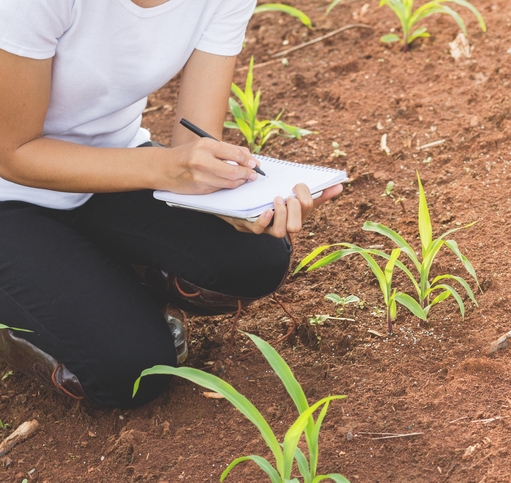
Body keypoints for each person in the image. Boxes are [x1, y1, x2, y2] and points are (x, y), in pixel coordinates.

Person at [0, 0, 343, 409]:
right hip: (10, 193)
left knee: (255, 259)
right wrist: (165, 167)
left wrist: (236, 204)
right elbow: (12, 153)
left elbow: (194, 139)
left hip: (113, 167)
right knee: (132, 372)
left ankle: (93, 280)